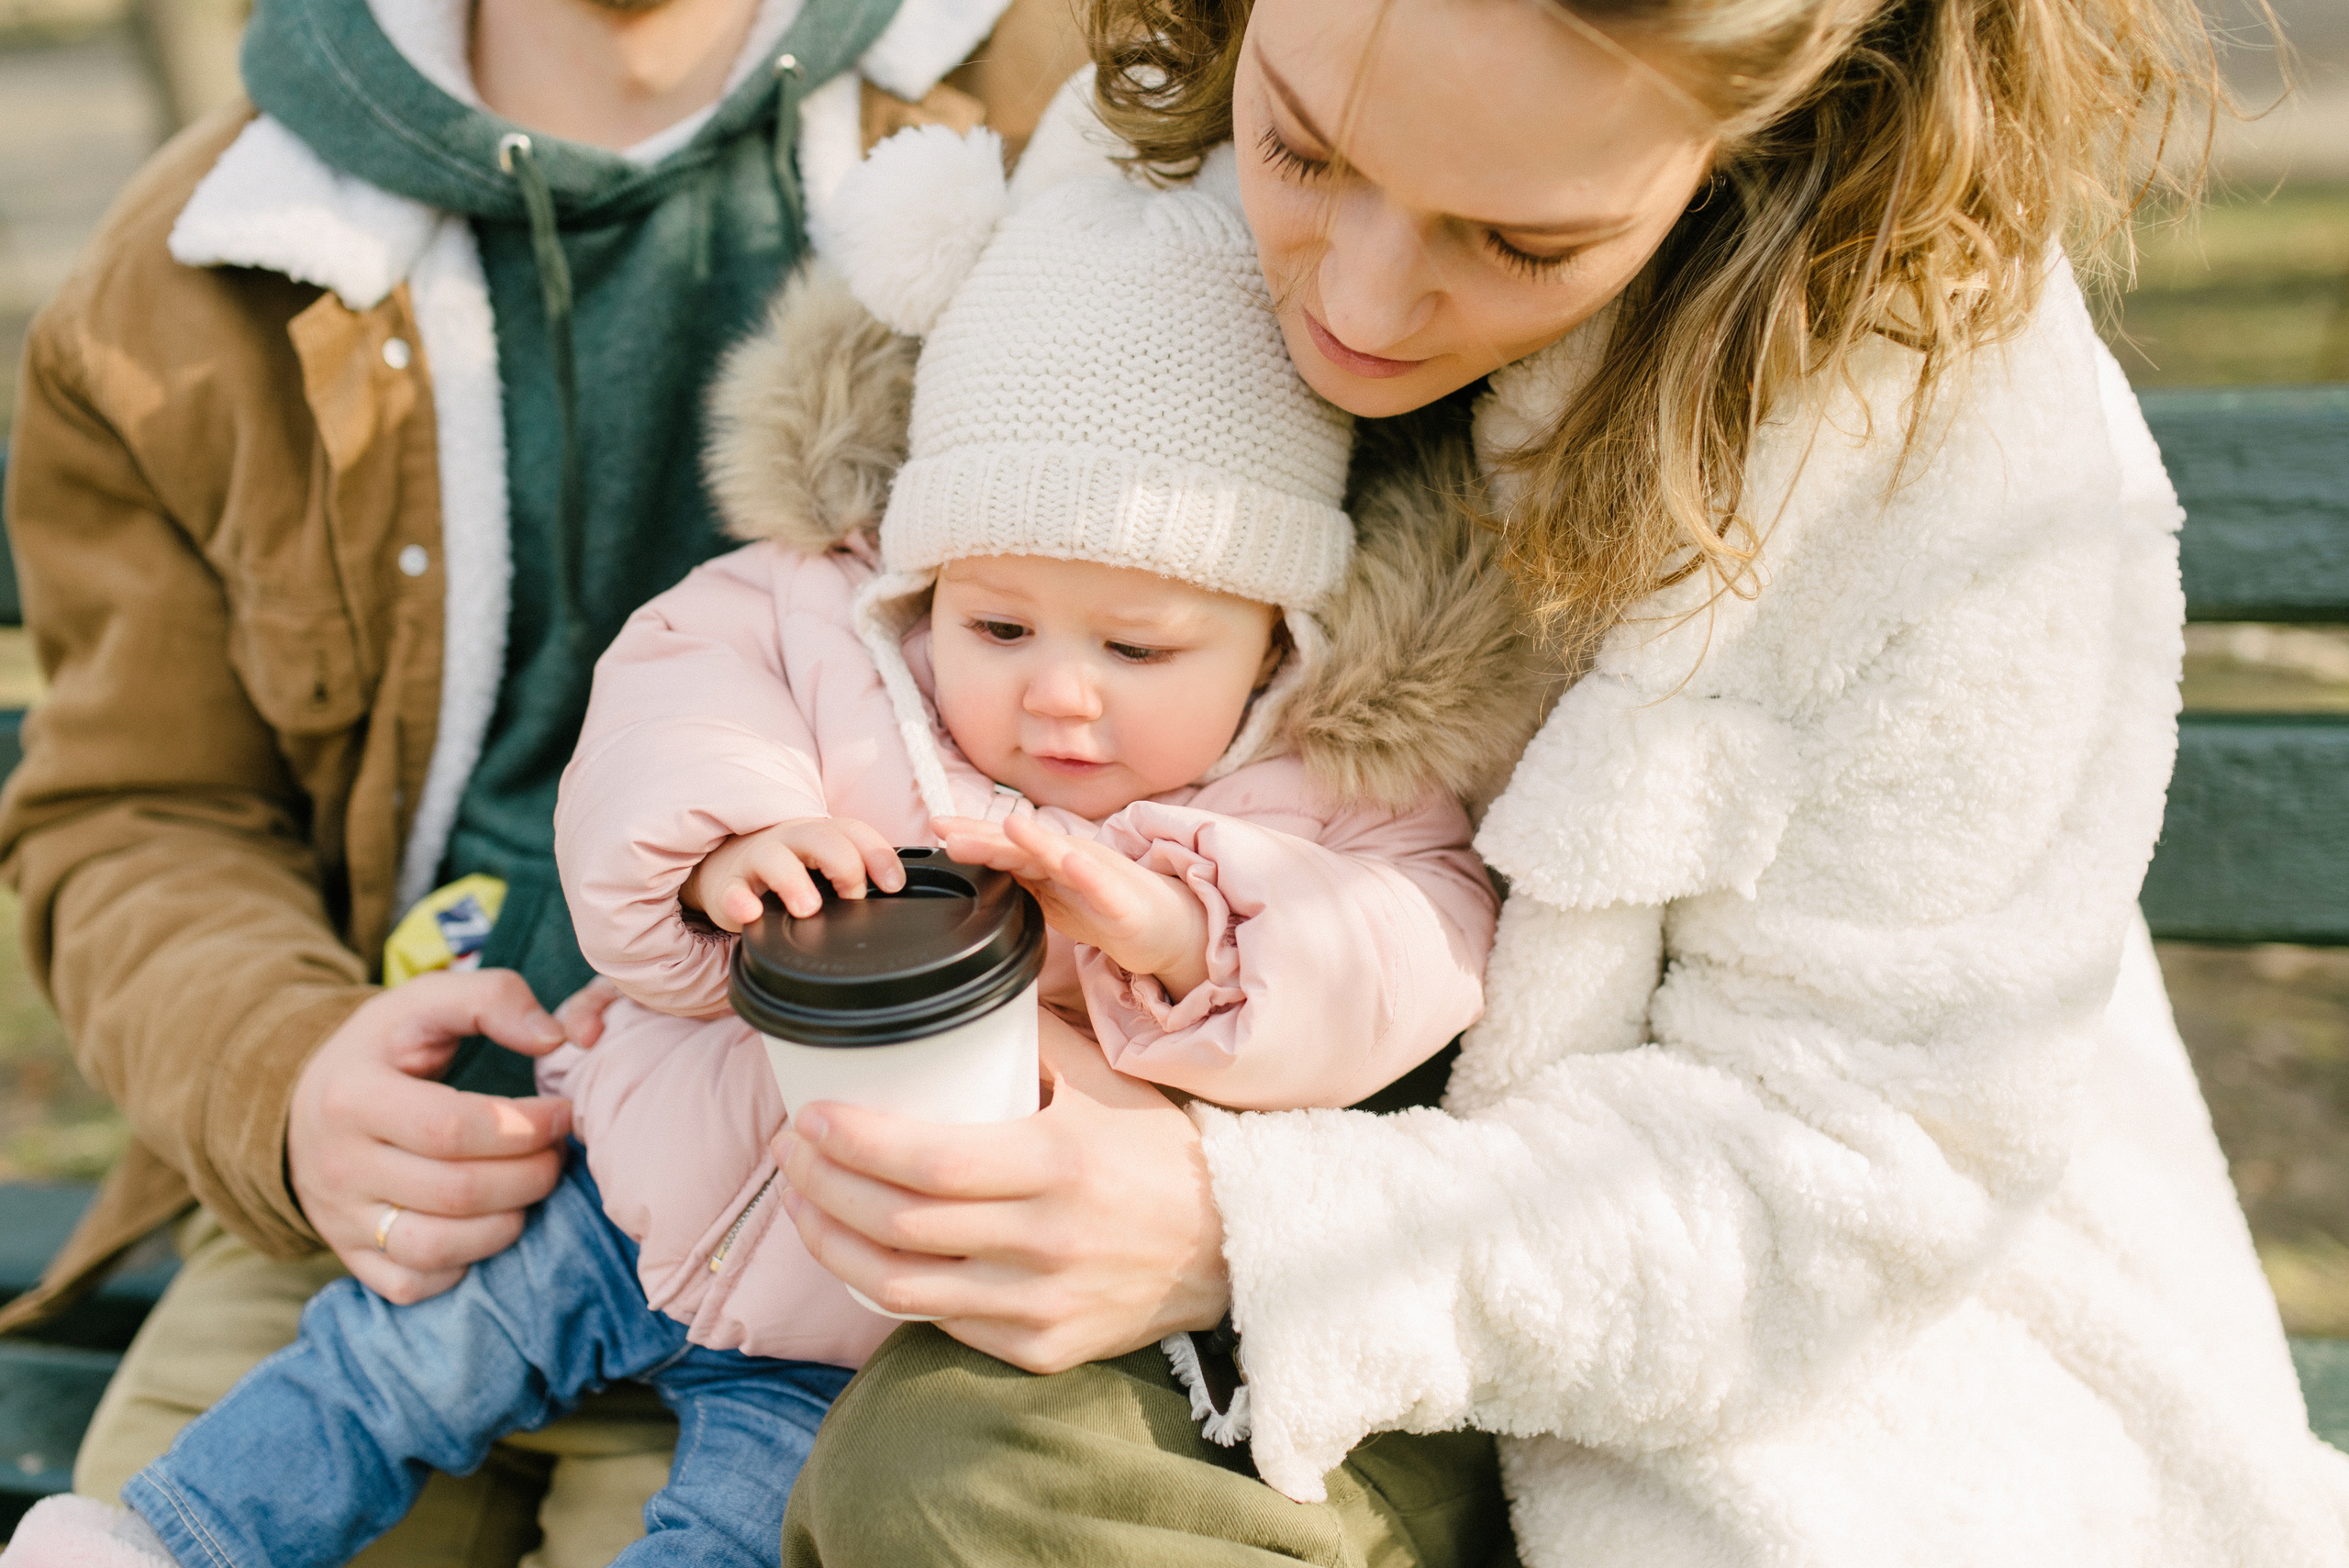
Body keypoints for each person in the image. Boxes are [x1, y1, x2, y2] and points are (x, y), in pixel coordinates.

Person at [763, 3, 2349, 1566]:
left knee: (963, 1475)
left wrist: (1237, 1226)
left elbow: (1855, 1173)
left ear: (1768, 130)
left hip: (1721, 1362)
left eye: (1520, 241)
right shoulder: (1138, 149)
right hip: (1199, 1201)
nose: (1364, 298)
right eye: (1302, 151)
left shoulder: (1962, 459)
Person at [0, 124, 1526, 1568]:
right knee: (383, 1366)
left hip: (866, 1317)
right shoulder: (827, 622)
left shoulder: (1316, 779)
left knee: (736, 1532)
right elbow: (674, 692)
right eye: (995, 622)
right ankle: (169, 1534)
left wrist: (1193, 934)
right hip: (619, 1176)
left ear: (1279, 632)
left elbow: (1415, 940)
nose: (1055, 688)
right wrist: (730, 834)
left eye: (1137, 644)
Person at [0, 0, 1085, 1561]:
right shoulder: (187, 272)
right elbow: (138, 810)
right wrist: (287, 1074)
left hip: (841, 1237)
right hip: (394, 1199)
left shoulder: (1062, 122)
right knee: (175, 1517)